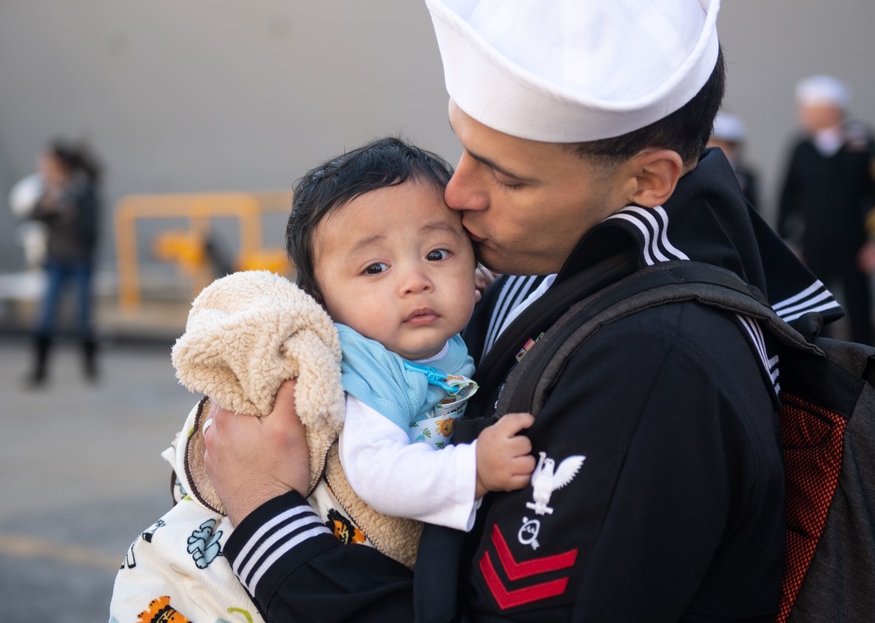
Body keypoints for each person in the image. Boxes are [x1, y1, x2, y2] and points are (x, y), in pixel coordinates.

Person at [203, 0, 842, 620]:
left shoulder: (654, 363)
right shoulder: (551, 256)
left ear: (648, 180)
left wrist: (264, 515)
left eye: (508, 178)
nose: (457, 192)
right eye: (463, 145)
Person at [111, 137, 536, 622]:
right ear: (323, 300)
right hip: (221, 584)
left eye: (438, 254)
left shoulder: (437, 336)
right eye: (375, 267)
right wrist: (473, 471)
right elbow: (376, 471)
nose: (415, 279)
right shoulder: (369, 364)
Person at [776, 74, 875, 346]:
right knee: (816, 313)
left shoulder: (862, 143)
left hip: (856, 246)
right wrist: (788, 242)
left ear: (830, 109)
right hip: (813, 247)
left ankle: (868, 371)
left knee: (861, 312)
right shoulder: (801, 147)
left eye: (807, 108)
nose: (801, 114)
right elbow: (788, 197)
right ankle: (821, 373)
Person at [24, 140, 102, 387]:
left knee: (83, 316)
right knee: (46, 315)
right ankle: (39, 370)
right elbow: (33, 214)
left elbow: (91, 229)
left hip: (79, 260)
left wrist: (70, 214)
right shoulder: (49, 190)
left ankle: (90, 368)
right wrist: (49, 206)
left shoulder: (82, 191)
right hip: (55, 260)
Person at [708, 111, 760, 208]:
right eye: (715, 142)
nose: (719, 149)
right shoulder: (699, 172)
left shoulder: (746, 176)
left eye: (725, 145)